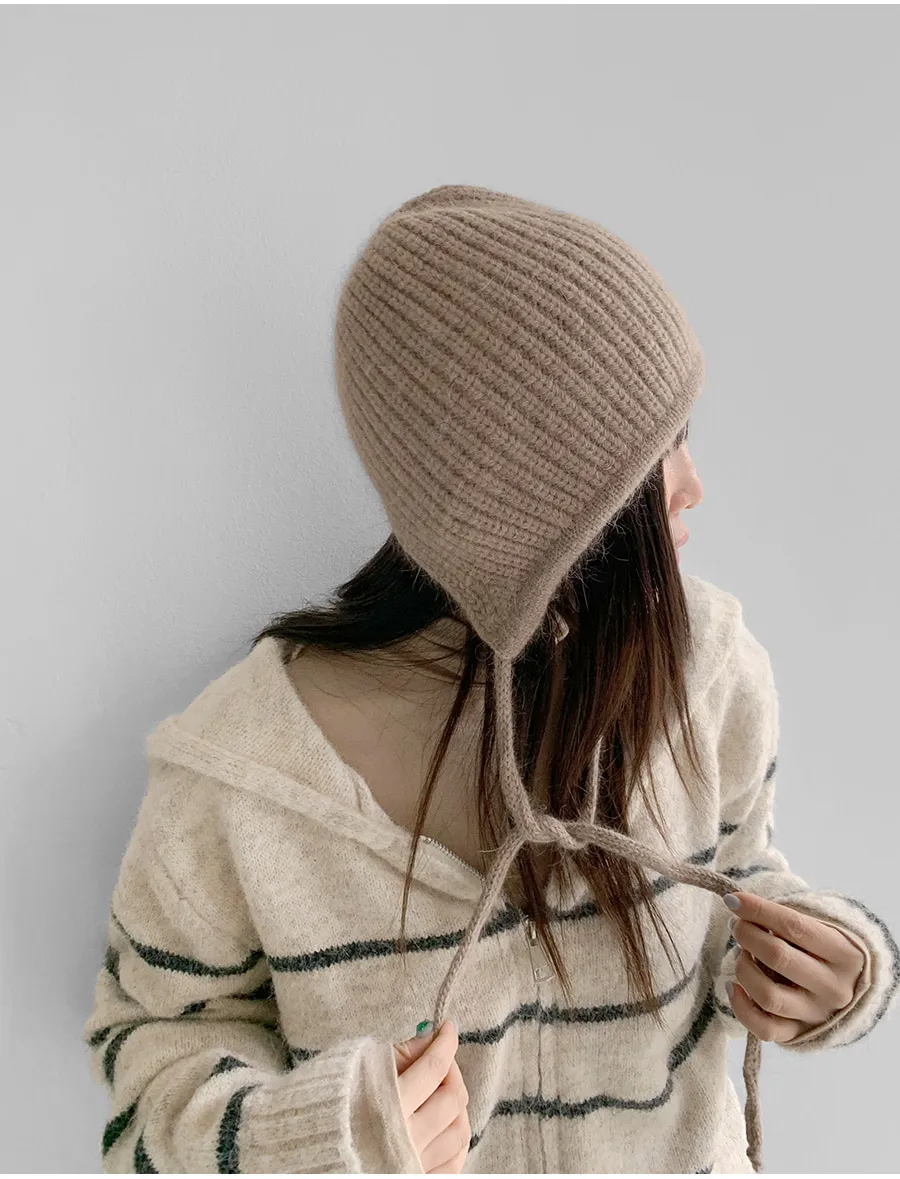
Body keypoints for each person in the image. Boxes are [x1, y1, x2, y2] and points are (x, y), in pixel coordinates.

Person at [82, 184, 898, 1174]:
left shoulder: (707, 667)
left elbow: (739, 874)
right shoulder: (241, 773)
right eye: (657, 454)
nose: (693, 487)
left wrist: (821, 963)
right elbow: (151, 1059)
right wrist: (317, 1139)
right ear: (534, 502)